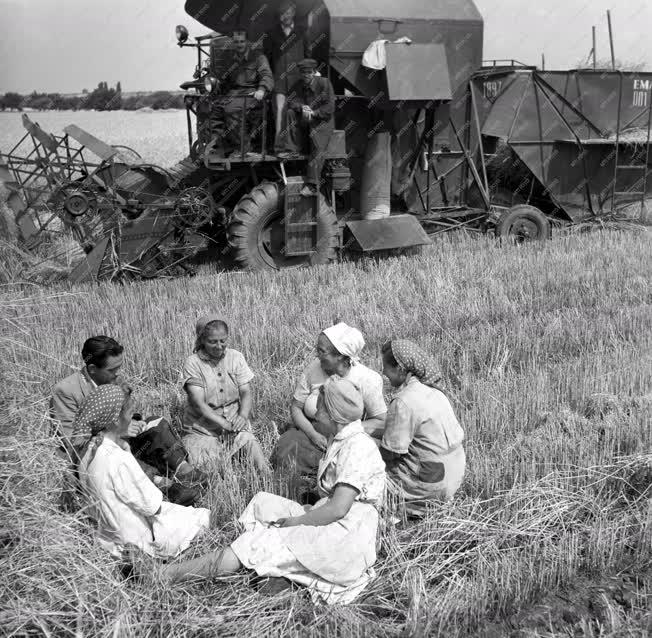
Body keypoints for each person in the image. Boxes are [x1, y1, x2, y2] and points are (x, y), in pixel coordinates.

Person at [159, 377, 386, 605]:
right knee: (262, 502)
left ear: (332, 415)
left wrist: (298, 521)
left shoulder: (357, 447)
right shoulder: (340, 439)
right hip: (332, 517)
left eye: (319, 409)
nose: (315, 414)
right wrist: (308, 511)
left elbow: (338, 509)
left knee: (260, 542)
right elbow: (333, 501)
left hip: (344, 536)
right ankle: (267, 562)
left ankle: (167, 575)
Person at [76, 385, 211, 559]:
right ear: (116, 420)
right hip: (137, 543)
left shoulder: (88, 450)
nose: (133, 417)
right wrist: (129, 454)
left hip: (108, 540)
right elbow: (152, 505)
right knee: (204, 518)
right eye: (130, 413)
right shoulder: (118, 458)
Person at [50, 336, 202, 485]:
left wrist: (135, 421)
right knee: (113, 452)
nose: (118, 373)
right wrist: (116, 433)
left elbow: (126, 411)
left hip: (120, 438)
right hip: (95, 453)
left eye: (119, 367)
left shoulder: (114, 379)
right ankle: (163, 485)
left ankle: (185, 470)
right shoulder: (66, 391)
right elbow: (74, 442)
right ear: (92, 369)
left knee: (156, 424)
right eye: (112, 369)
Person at [273, 322, 386, 477]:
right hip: (313, 434)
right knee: (288, 444)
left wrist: (342, 433)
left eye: (322, 351)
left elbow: (381, 421)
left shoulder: (367, 379)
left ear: (340, 355)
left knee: (346, 463)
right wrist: (313, 434)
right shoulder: (314, 368)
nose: (316, 355)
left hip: (346, 441)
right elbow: (296, 408)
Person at [380, 340, 466, 517]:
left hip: (429, 486)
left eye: (386, 367)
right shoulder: (435, 392)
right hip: (453, 478)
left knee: (366, 465)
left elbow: (391, 453)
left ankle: (409, 507)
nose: (383, 373)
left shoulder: (404, 401)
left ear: (400, 369)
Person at [179, 316, 270, 473]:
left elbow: (246, 392)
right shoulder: (193, 363)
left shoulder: (236, 357)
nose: (219, 346)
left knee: (250, 443)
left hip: (233, 427)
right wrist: (223, 423)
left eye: (223, 341)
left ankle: (267, 474)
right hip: (201, 431)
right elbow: (199, 404)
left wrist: (242, 416)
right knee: (215, 473)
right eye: (212, 342)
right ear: (202, 341)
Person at [211, 28, 274, 158]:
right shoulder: (230, 59)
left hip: (252, 94)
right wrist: (217, 84)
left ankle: (244, 149)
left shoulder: (258, 58)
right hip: (234, 94)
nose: (239, 44)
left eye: (242, 41)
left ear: (247, 42)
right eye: (236, 41)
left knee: (231, 110)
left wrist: (262, 89)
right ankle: (219, 145)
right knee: (215, 108)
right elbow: (225, 79)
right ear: (233, 43)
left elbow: (267, 76)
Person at [279, 58, 335, 195]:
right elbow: (291, 101)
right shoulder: (298, 85)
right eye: (303, 72)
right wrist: (302, 107)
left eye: (309, 72)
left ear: (314, 72)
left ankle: (312, 185)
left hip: (322, 122)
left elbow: (330, 107)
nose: (306, 75)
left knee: (317, 146)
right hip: (306, 120)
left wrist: (314, 113)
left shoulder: (324, 83)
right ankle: (292, 149)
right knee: (291, 112)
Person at [262, 1, 308, 151]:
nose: (285, 16)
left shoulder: (302, 32)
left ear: (293, 13)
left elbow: (308, 55)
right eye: (282, 14)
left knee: (296, 112)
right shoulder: (270, 33)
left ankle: (297, 147)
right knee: (280, 113)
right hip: (279, 80)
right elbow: (266, 59)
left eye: (287, 13)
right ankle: (279, 147)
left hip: (298, 80)